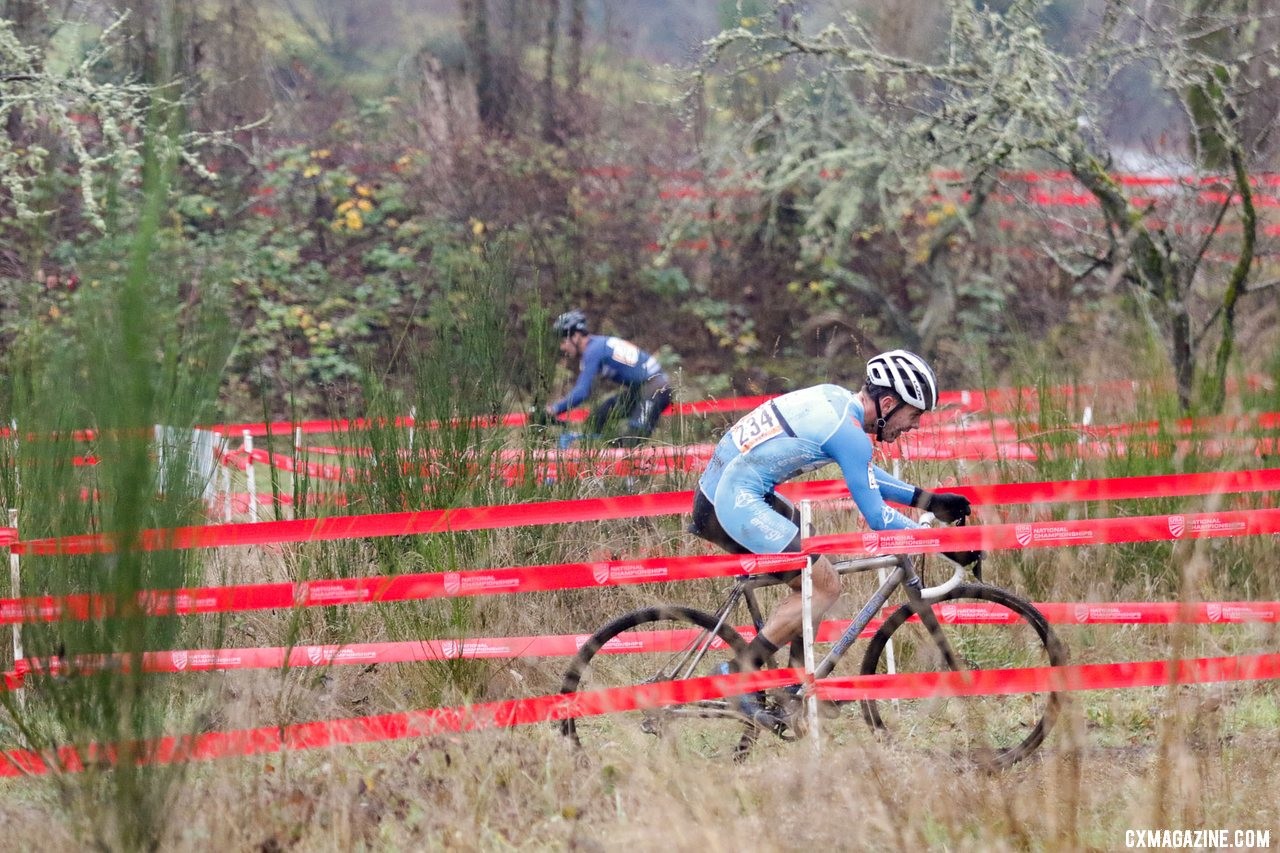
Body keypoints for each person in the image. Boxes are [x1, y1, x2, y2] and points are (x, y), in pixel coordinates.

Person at [687, 349, 979, 727]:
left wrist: (926, 500)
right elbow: (877, 518)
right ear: (888, 403)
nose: (915, 426)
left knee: (813, 560)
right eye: (914, 415)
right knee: (823, 585)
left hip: (728, 492)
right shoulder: (848, 432)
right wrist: (943, 545)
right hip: (733, 502)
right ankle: (737, 672)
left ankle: (792, 689)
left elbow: (865, 474)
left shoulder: (838, 402)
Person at [543, 309, 672, 447]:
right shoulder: (598, 345)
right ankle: (610, 453)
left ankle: (622, 452)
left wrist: (554, 409)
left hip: (654, 389)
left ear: (575, 336)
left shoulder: (593, 351)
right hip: (642, 389)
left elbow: (582, 392)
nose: (562, 347)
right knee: (597, 418)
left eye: (563, 341)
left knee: (632, 443)